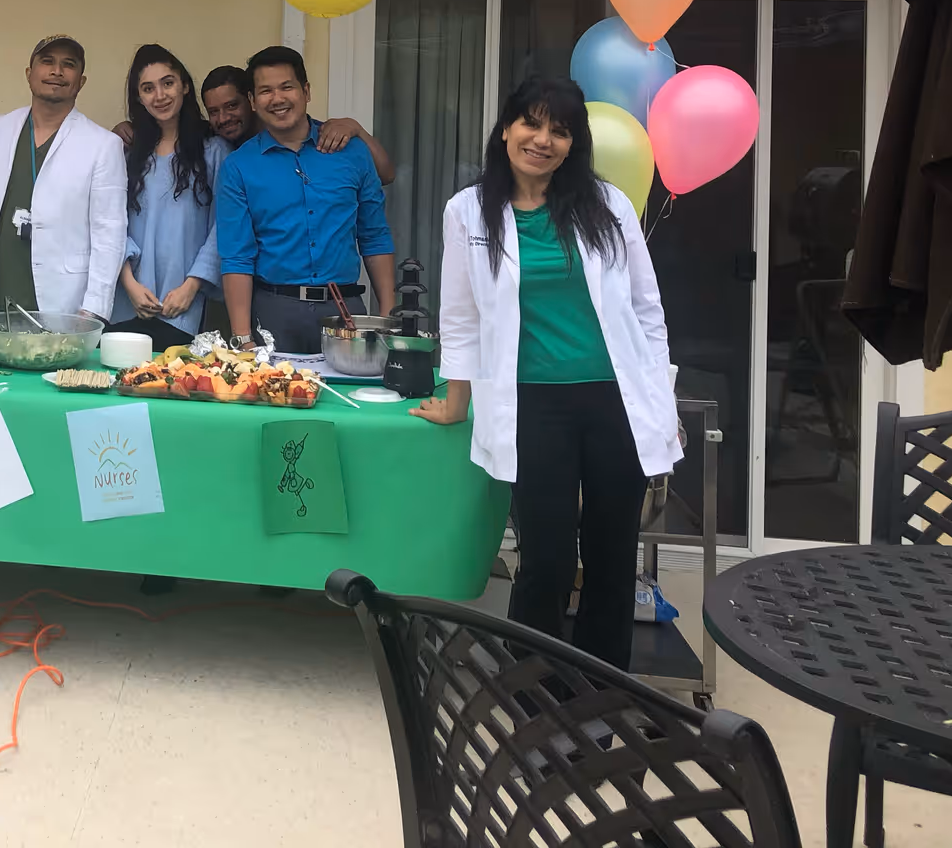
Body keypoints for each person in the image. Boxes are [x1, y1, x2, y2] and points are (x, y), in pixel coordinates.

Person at [411, 75, 679, 670]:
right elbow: (458, 317)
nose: (543, 140)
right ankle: (534, 696)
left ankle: (601, 693)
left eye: (560, 130)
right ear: (506, 128)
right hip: (532, 406)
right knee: (547, 560)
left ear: (573, 143)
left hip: (615, 401)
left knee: (611, 559)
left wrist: (662, 402)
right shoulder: (468, 211)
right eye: (531, 123)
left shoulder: (606, 205)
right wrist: (457, 401)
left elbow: (646, 309)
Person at [216, 45, 395, 353]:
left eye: (287, 87)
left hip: (345, 312)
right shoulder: (238, 167)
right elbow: (237, 257)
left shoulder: (351, 153)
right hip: (273, 311)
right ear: (253, 101)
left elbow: (375, 236)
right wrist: (242, 338)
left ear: (306, 91)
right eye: (266, 91)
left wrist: (388, 317)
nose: (278, 98)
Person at [0, 34, 127, 319]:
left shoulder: (102, 145)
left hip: (60, 299)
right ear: (29, 75)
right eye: (47, 62)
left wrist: (94, 308)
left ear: (81, 81)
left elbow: (110, 232)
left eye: (68, 64)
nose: (56, 71)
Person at [108, 45, 227, 347]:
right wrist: (129, 283)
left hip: (183, 304)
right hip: (127, 300)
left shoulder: (213, 151)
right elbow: (108, 220)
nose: (159, 95)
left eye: (168, 83)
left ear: (185, 86)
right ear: (138, 97)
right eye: (148, 88)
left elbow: (223, 227)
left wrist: (193, 285)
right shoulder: (126, 152)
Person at [200, 62, 396, 183]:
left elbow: (386, 175)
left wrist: (357, 129)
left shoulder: (318, 136)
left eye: (232, 106)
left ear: (251, 101)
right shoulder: (212, 149)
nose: (224, 118)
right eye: (213, 112)